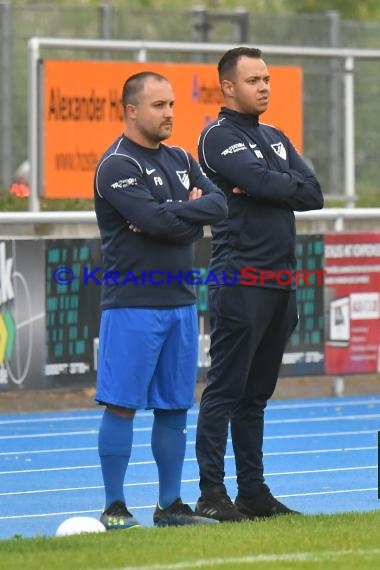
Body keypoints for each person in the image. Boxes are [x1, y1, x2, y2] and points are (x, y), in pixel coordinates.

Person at [194, 47, 324, 522]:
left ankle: (253, 492)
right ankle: (212, 493)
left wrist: (270, 182)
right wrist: (274, 183)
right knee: (225, 391)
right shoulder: (216, 136)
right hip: (240, 279)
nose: (264, 86)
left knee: (256, 396)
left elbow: (314, 194)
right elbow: (275, 186)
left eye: (267, 79)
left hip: (281, 283)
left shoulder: (274, 135)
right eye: (254, 80)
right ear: (228, 86)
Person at [94, 71, 227, 529]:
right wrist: (183, 216)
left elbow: (219, 206)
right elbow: (156, 221)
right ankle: (115, 507)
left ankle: (170, 507)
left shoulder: (181, 157)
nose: (169, 113)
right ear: (131, 110)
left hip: (181, 303)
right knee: (122, 404)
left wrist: (171, 216)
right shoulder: (116, 164)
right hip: (132, 304)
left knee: (173, 406)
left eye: (172, 104)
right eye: (159, 105)